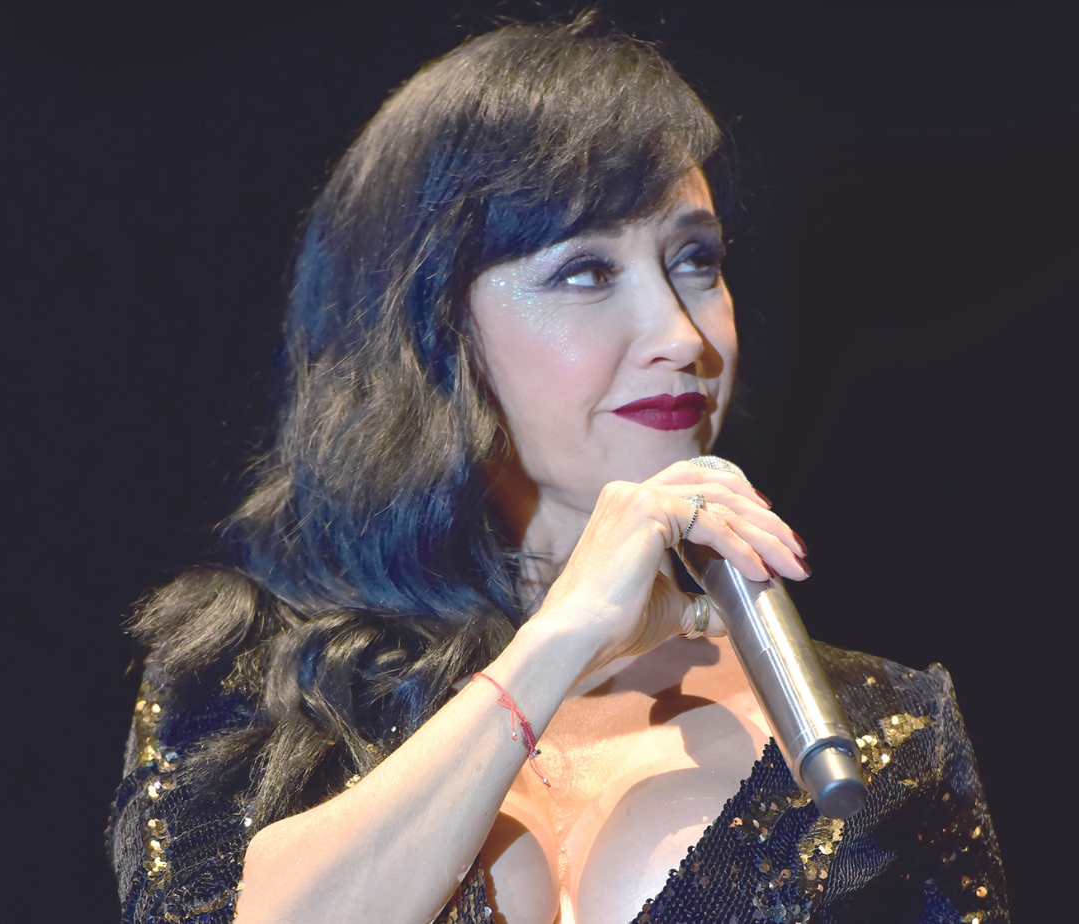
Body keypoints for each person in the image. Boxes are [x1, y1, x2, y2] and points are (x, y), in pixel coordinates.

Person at [109, 16, 1007, 924]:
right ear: (433, 329)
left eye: (696, 260)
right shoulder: (253, 685)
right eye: (585, 271)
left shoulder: (884, 731)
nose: (680, 336)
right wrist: (560, 640)